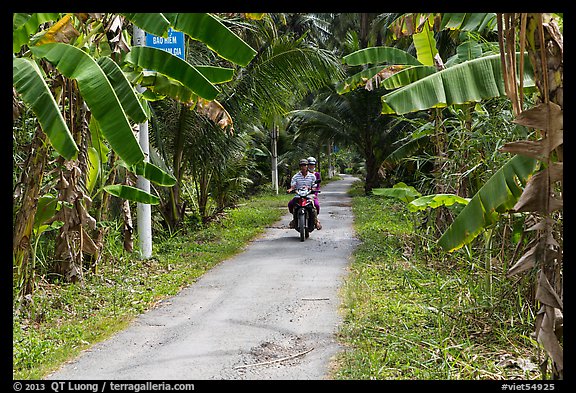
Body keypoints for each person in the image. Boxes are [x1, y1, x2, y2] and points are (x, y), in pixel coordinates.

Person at [287, 158, 321, 230]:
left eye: (305, 165)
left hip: (309, 195)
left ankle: (316, 221)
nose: (303, 167)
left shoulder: (312, 176)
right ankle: (295, 218)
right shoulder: (296, 176)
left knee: (316, 205)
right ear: (300, 166)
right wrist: (291, 189)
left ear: (307, 166)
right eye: (301, 165)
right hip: (299, 195)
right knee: (290, 204)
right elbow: (293, 185)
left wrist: (311, 189)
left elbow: (314, 186)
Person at [307, 156, 322, 229]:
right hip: (303, 193)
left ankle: (315, 220)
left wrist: (315, 193)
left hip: (312, 194)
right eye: (310, 164)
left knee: (316, 205)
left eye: (312, 165)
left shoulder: (317, 174)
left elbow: (318, 186)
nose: (311, 166)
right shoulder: (302, 174)